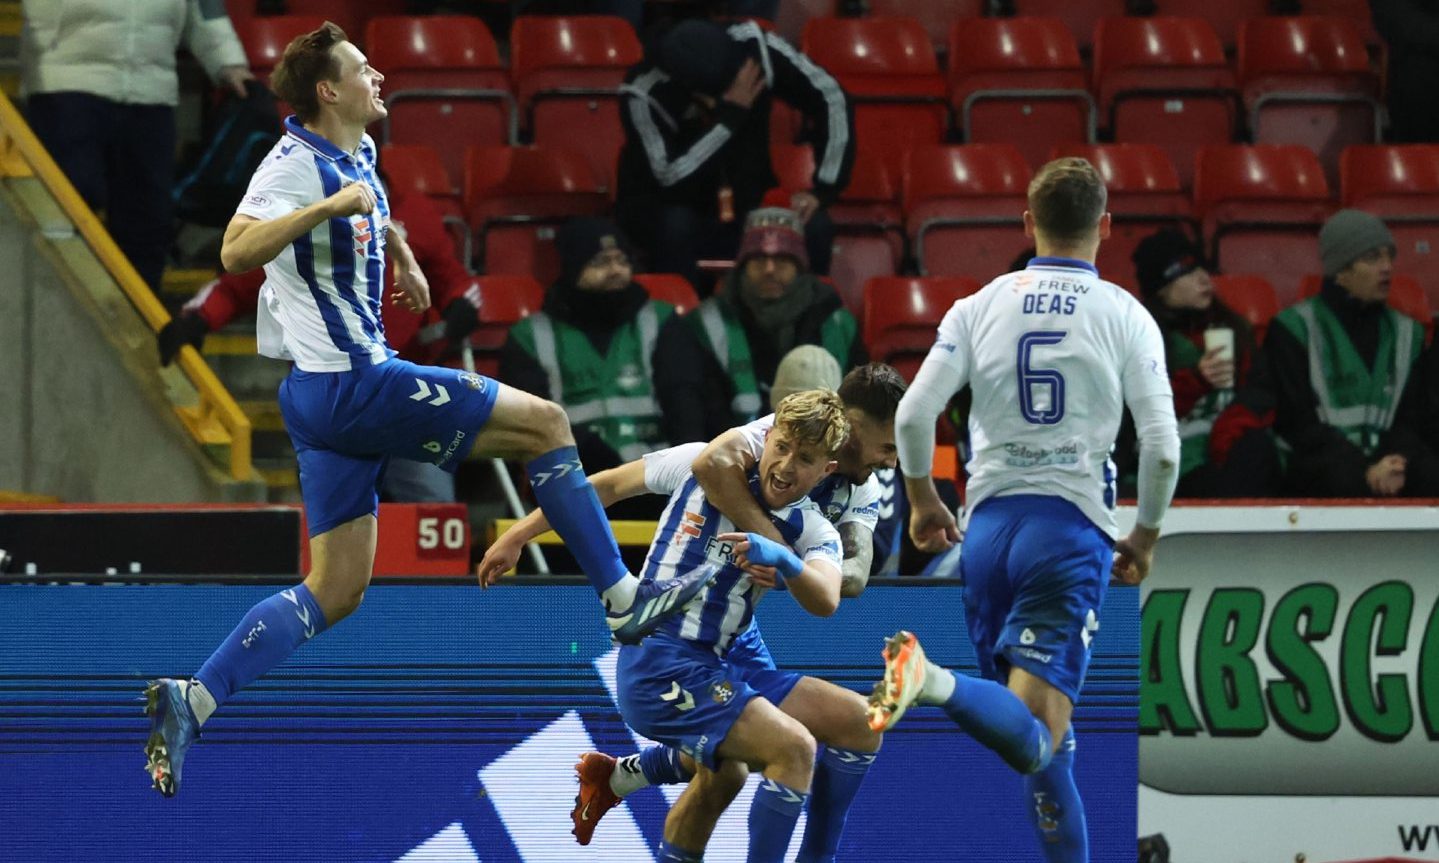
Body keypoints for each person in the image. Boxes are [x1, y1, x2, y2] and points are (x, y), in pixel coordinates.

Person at [140, 22, 715, 800]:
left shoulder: (357, 153)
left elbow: (369, 206)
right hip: (355, 384)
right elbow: (236, 253)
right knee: (548, 423)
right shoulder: (293, 166)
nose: (376, 73)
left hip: (315, 399)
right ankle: (624, 601)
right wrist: (323, 207)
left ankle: (194, 697)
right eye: (359, 67)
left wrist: (401, 253)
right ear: (326, 90)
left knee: (335, 589)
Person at [868, 157, 1181, 863]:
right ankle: (930, 679)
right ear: (1105, 227)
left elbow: (914, 412)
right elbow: (1161, 449)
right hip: (1065, 531)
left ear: (1026, 224)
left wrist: (921, 499)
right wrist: (1146, 536)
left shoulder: (976, 304)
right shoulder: (1125, 314)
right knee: (1037, 733)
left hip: (986, 531)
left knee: (1044, 749)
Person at [480, 363, 904, 855]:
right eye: (781, 446)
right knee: (782, 750)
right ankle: (622, 777)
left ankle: (617, 778)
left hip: (728, 643)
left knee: (801, 743)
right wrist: (517, 534)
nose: (786, 465)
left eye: (804, 456)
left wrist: (787, 563)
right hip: (663, 655)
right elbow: (606, 486)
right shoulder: (706, 461)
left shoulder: (825, 518)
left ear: (826, 464)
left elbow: (841, 584)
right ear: (767, 437)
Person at [157, 176, 481, 502]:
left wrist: (459, 303)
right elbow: (237, 284)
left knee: (433, 515)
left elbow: (451, 278)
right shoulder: (299, 225)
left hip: (405, 390)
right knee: (332, 516)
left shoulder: (413, 214)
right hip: (329, 396)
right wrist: (196, 319)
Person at [21, 0, 254, 291]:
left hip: (151, 95)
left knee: (148, 221)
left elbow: (203, 8)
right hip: (67, 86)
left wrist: (229, 63)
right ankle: (61, 307)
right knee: (70, 203)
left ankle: (140, 321)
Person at [615, 18, 854, 288]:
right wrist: (728, 119)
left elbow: (832, 96)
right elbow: (669, 176)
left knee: (814, 225)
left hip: (746, 202)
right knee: (675, 225)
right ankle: (683, 320)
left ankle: (805, 319)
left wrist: (823, 189)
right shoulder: (642, 90)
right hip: (669, 205)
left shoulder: (753, 47)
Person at [499, 217, 710, 475]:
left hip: (659, 480)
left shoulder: (660, 322)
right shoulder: (531, 336)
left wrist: (684, 473)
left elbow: (686, 408)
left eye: (622, 260)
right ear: (572, 268)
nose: (615, 270)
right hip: (573, 479)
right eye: (599, 262)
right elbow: (531, 422)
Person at [1266, 209, 1439, 497]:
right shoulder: (1294, 329)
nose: (1386, 268)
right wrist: (1365, 469)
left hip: (1391, 459)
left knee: (1429, 473)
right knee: (1341, 479)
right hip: (1322, 461)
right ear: (1341, 271)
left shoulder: (1408, 333)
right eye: (1372, 258)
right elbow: (1296, 422)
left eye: (1388, 257)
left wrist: (1395, 461)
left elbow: (1414, 418)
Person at [1131, 229, 1279, 498]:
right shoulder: (1144, 338)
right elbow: (1136, 413)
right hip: (1173, 463)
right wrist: (1196, 381)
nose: (1203, 279)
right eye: (1186, 272)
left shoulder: (1235, 329)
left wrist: (1232, 427)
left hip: (1230, 449)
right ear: (1161, 290)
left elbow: (1261, 391)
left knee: (1259, 451)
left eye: (1203, 269)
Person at [688, 207, 866, 428]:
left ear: (799, 267)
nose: (769, 269)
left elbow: (861, 407)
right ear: (743, 266)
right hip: (733, 452)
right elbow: (696, 411)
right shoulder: (706, 323)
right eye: (759, 260)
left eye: (782, 260)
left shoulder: (835, 321)